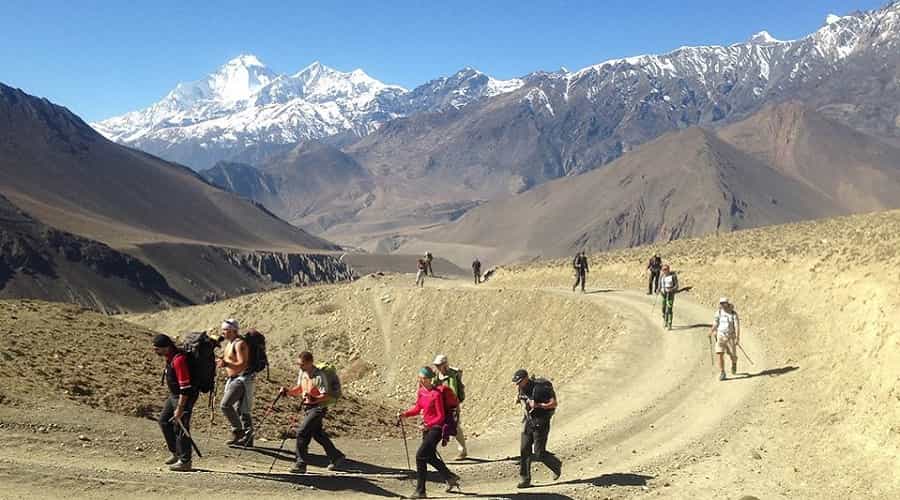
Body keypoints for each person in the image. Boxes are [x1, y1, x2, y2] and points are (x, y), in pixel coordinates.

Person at [398, 366, 461, 498]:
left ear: (429, 379)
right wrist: (405, 414)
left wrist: (428, 426)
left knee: (420, 456)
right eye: (420, 377)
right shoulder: (421, 392)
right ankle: (450, 477)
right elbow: (418, 407)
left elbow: (441, 416)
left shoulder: (436, 394)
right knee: (429, 456)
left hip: (437, 429)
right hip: (427, 428)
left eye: (423, 378)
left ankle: (421, 491)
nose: (420, 380)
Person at [280, 351, 345, 474]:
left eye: (302, 364)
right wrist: (287, 391)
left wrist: (314, 398)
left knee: (302, 432)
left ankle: (300, 464)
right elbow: (300, 389)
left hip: (318, 408)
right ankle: (336, 456)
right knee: (318, 434)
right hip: (308, 407)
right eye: (299, 364)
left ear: (310, 363)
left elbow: (325, 395)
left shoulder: (319, 376)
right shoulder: (303, 373)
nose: (300, 367)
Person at [153, 334, 198, 472]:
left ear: (166, 347)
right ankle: (176, 453)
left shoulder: (179, 360)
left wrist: (180, 408)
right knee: (164, 421)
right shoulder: (170, 357)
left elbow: (185, 388)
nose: (155, 351)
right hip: (174, 395)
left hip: (183, 397)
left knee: (181, 427)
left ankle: (185, 461)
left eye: (157, 349)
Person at [512, 369, 561, 488]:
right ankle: (525, 479)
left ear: (526, 379)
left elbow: (554, 403)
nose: (517, 384)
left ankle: (556, 464)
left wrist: (538, 405)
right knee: (524, 450)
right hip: (529, 422)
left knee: (539, 453)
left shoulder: (540, 389)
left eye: (519, 382)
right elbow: (522, 398)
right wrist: (519, 400)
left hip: (541, 422)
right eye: (516, 383)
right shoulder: (521, 388)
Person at [217, 318, 255, 447]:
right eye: (223, 330)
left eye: (226, 330)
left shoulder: (239, 344)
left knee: (225, 405)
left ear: (234, 331)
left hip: (241, 379)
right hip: (233, 378)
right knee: (241, 409)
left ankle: (239, 432)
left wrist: (226, 363)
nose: (223, 332)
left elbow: (242, 364)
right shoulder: (229, 343)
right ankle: (247, 438)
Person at [432, 354, 467, 459]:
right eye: (437, 365)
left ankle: (463, 451)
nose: (438, 367)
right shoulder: (437, 376)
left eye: (439, 365)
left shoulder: (451, 376)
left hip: (452, 406)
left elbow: (453, 392)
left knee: (455, 427)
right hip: (441, 405)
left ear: (445, 365)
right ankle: (431, 449)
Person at [710, 298, 741, 381]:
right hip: (720, 336)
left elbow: (737, 327)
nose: (723, 305)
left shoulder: (733, 314)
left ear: (727, 303)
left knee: (732, 354)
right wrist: (711, 331)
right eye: (721, 303)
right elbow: (716, 323)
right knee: (719, 353)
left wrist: (737, 338)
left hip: (730, 337)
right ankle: (722, 372)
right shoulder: (719, 312)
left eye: (724, 303)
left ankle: (734, 362)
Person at [658, 265, 678, 330]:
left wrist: (671, 290)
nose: (664, 271)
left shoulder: (673, 276)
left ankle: (669, 323)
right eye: (663, 269)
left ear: (668, 269)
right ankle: (665, 320)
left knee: (669, 308)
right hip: (663, 294)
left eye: (665, 269)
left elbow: (676, 286)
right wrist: (658, 289)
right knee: (663, 308)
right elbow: (659, 285)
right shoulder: (661, 276)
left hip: (670, 294)